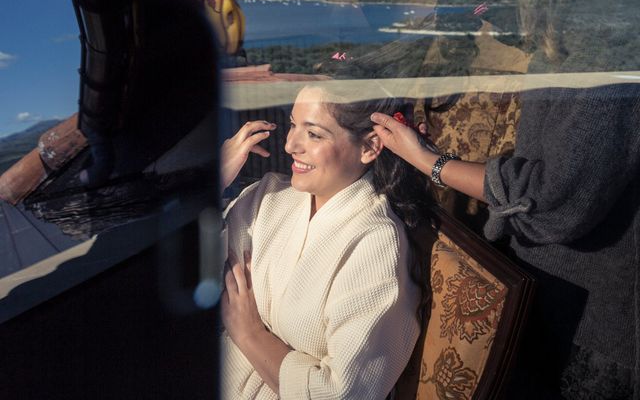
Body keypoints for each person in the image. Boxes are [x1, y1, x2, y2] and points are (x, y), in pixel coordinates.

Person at [371, 82, 640, 399]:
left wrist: (431, 163)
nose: (293, 145)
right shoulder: (569, 46)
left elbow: (554, 198)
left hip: (586, 325)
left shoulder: (610, 59)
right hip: (537, 289)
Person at [219, 85, 437, 399]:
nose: (291, 145)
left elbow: (339, 393)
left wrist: (250, 334)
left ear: (369, 146)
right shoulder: (267, 197)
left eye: (314, 134)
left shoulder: (376, 246)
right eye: (293, 125)